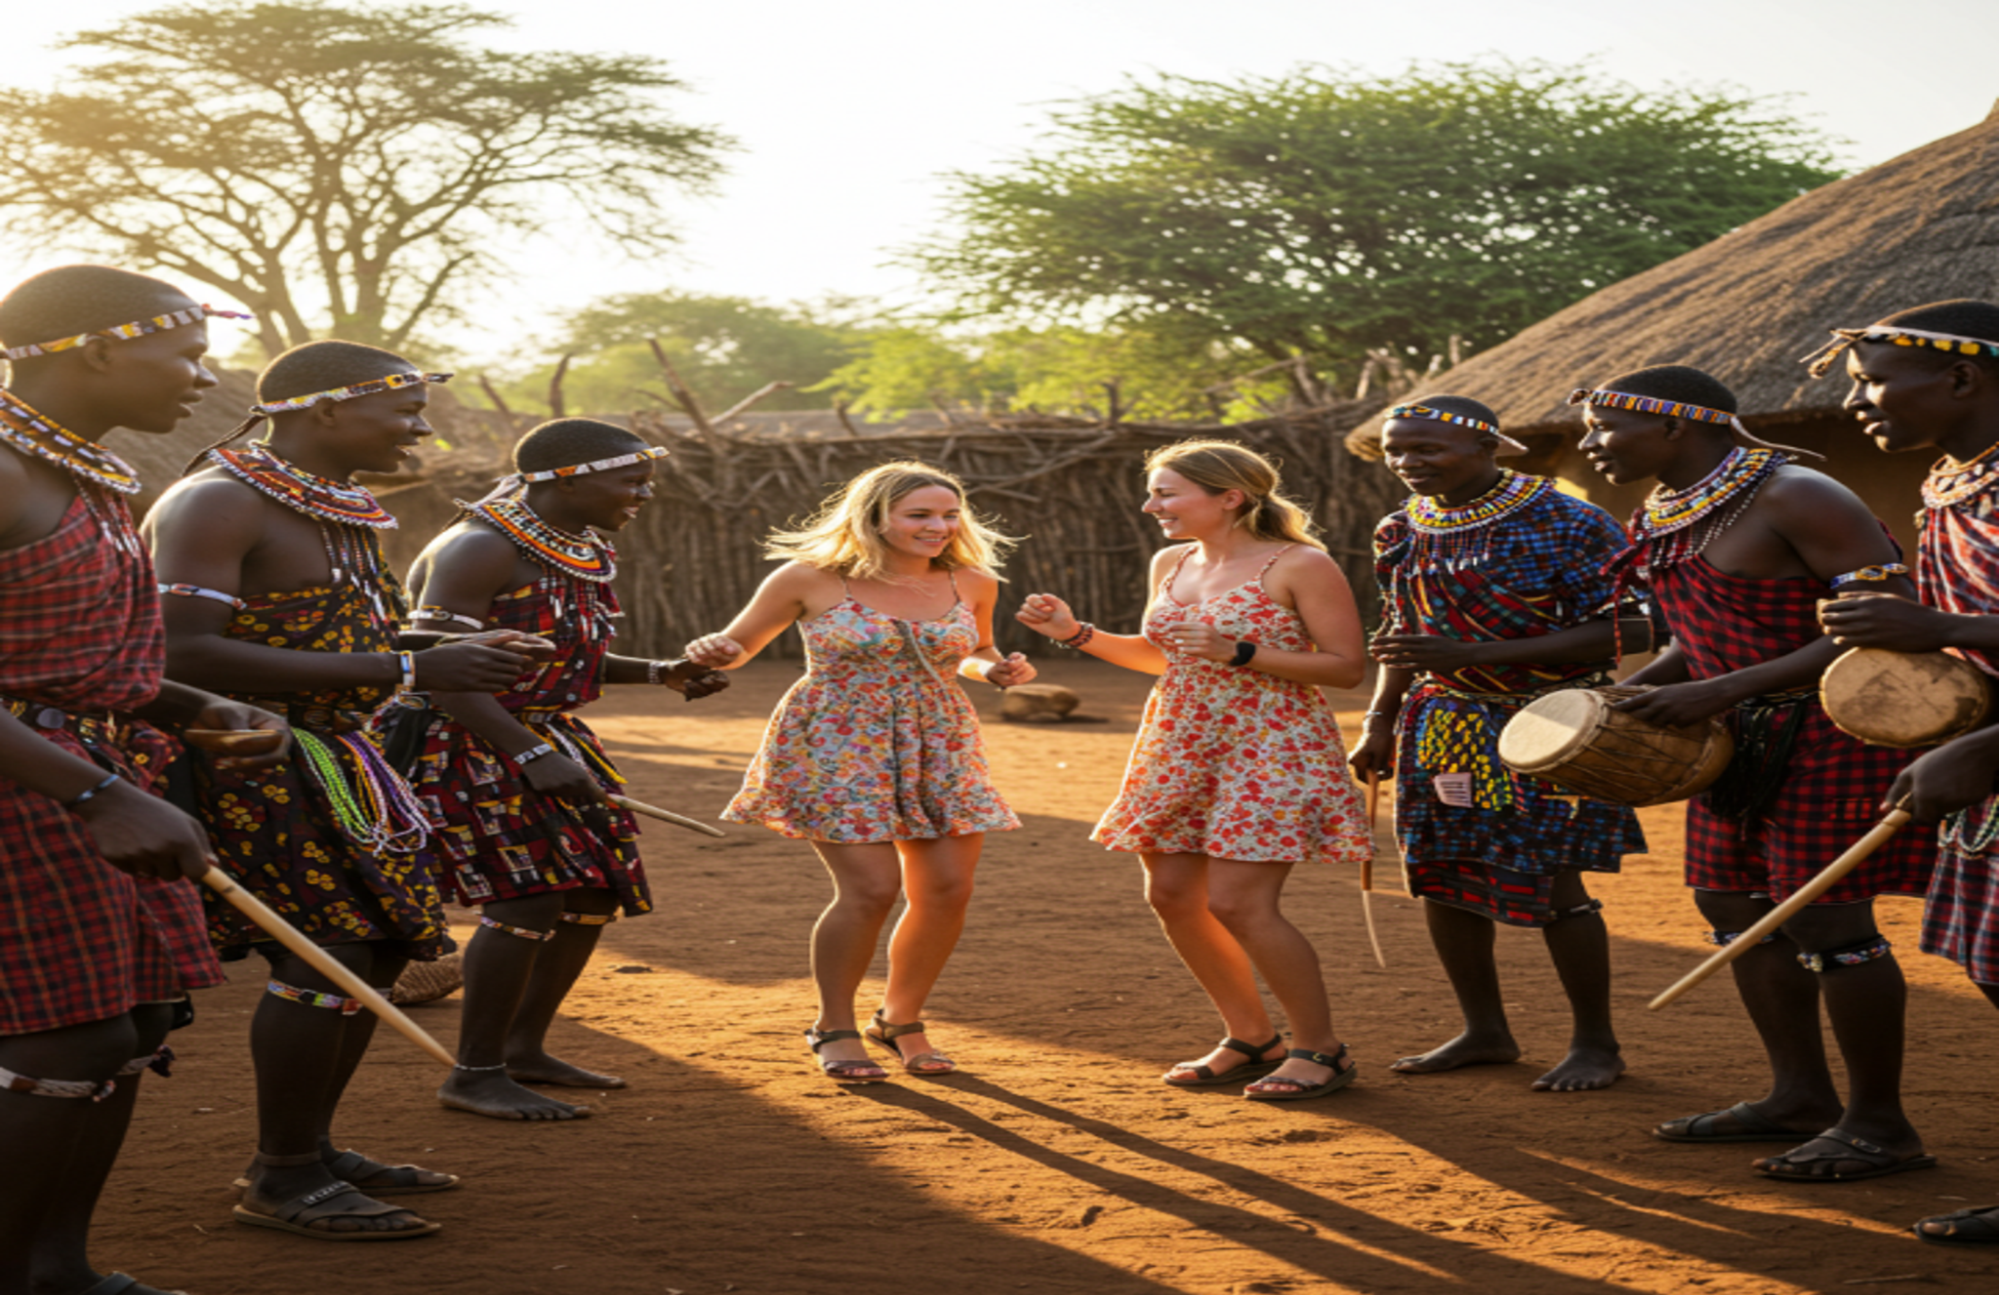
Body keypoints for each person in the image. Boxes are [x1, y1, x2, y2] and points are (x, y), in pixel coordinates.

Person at [147, 341, 545, 1239]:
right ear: (326, 410)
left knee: (370, 952)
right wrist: (412, 660)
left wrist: (433, 650)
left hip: (334, 754)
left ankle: (308, 1149)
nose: (420, 428)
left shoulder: (336, 510)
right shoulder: (219, 500)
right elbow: (177, 652)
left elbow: (316, 629)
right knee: (324, 950)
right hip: (250, 755)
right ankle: (282, 1175)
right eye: (402, 410)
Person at [0, 265, 289, 1295]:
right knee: (67, 1037)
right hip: (28, 793)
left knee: (131, 1023)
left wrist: (188, 710)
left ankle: (58, 1269)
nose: (201, 379)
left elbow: (61, 658)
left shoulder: (79, 473)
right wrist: (92, 794)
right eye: (185, 354)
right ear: (103, 348)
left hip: (82, 775)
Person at [1579, 365, 1938, 1182]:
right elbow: (1697, 635)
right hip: (1728, 740)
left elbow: (1880, 622)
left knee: (1828, 923)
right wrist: (1629, 696)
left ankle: (1879, 1124)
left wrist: (1729, 686)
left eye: (1608, 428)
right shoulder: (1665, 512)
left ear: (1674, 427)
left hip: (1829, 731)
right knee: (1734, 906)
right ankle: (1798, 1097)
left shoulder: (1796, 495)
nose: (1594, 445)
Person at [1017, 439, 1370, 1101]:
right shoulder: (1170, 561)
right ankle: (1249, 1037)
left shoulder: (1301, 564)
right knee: (1172, 896)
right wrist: (1073, 632)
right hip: (1179, 742)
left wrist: (1239, 650)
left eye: (1166, 493)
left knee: (1238, 902)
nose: (1151, 506)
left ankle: (1320, 1048)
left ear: (1229, 497)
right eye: (1153, 493)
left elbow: (1346, 667)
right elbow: (1163, 658)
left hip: (1270, 745)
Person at [404, 417, 725, 1120]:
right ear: (568, 480)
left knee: (593, 894)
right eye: (630, 481)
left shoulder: (573, 546)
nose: (643, 494)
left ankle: (522, 1049)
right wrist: (526, 752)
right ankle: (474, 1070)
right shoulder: (478, 550)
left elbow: (559, 654)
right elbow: (439, 675)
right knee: (526, 898)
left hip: (546, 736)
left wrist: (660, 672)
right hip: (471, 740)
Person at [684, 461, 1029, 1084]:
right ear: (875, 516)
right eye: (919, 515)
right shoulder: (810, 579)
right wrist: (712, 650)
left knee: (948, 888)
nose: (939, 527)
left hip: (939, 740)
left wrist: (996, 670)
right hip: (838, 739)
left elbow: (976, 650)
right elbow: (739, 645)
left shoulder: (972, 581)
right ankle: (834, 1024)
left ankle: (901, 1019)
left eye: (950, 515)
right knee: (870, 889)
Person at [1349, 397, 1646, 1093]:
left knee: (1555, 879)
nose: (1407, 464)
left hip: (1550, 722)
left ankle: (1596, 1043)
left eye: (1426, 450)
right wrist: (1380, 718)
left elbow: (1632, 630)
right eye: (1397, 451)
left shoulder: (1567, 521)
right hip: (1443, 721)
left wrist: (1471, 650)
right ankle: (1484, 1030)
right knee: (1440, 873)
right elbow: (1402, 631)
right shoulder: (1400, 528)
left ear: (1488, 447)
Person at [1807, 299, 1999, 1239]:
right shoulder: (1949, 481)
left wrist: (1943, 630)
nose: (1858, 403)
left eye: (1872, 381)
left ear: (1961, 379)